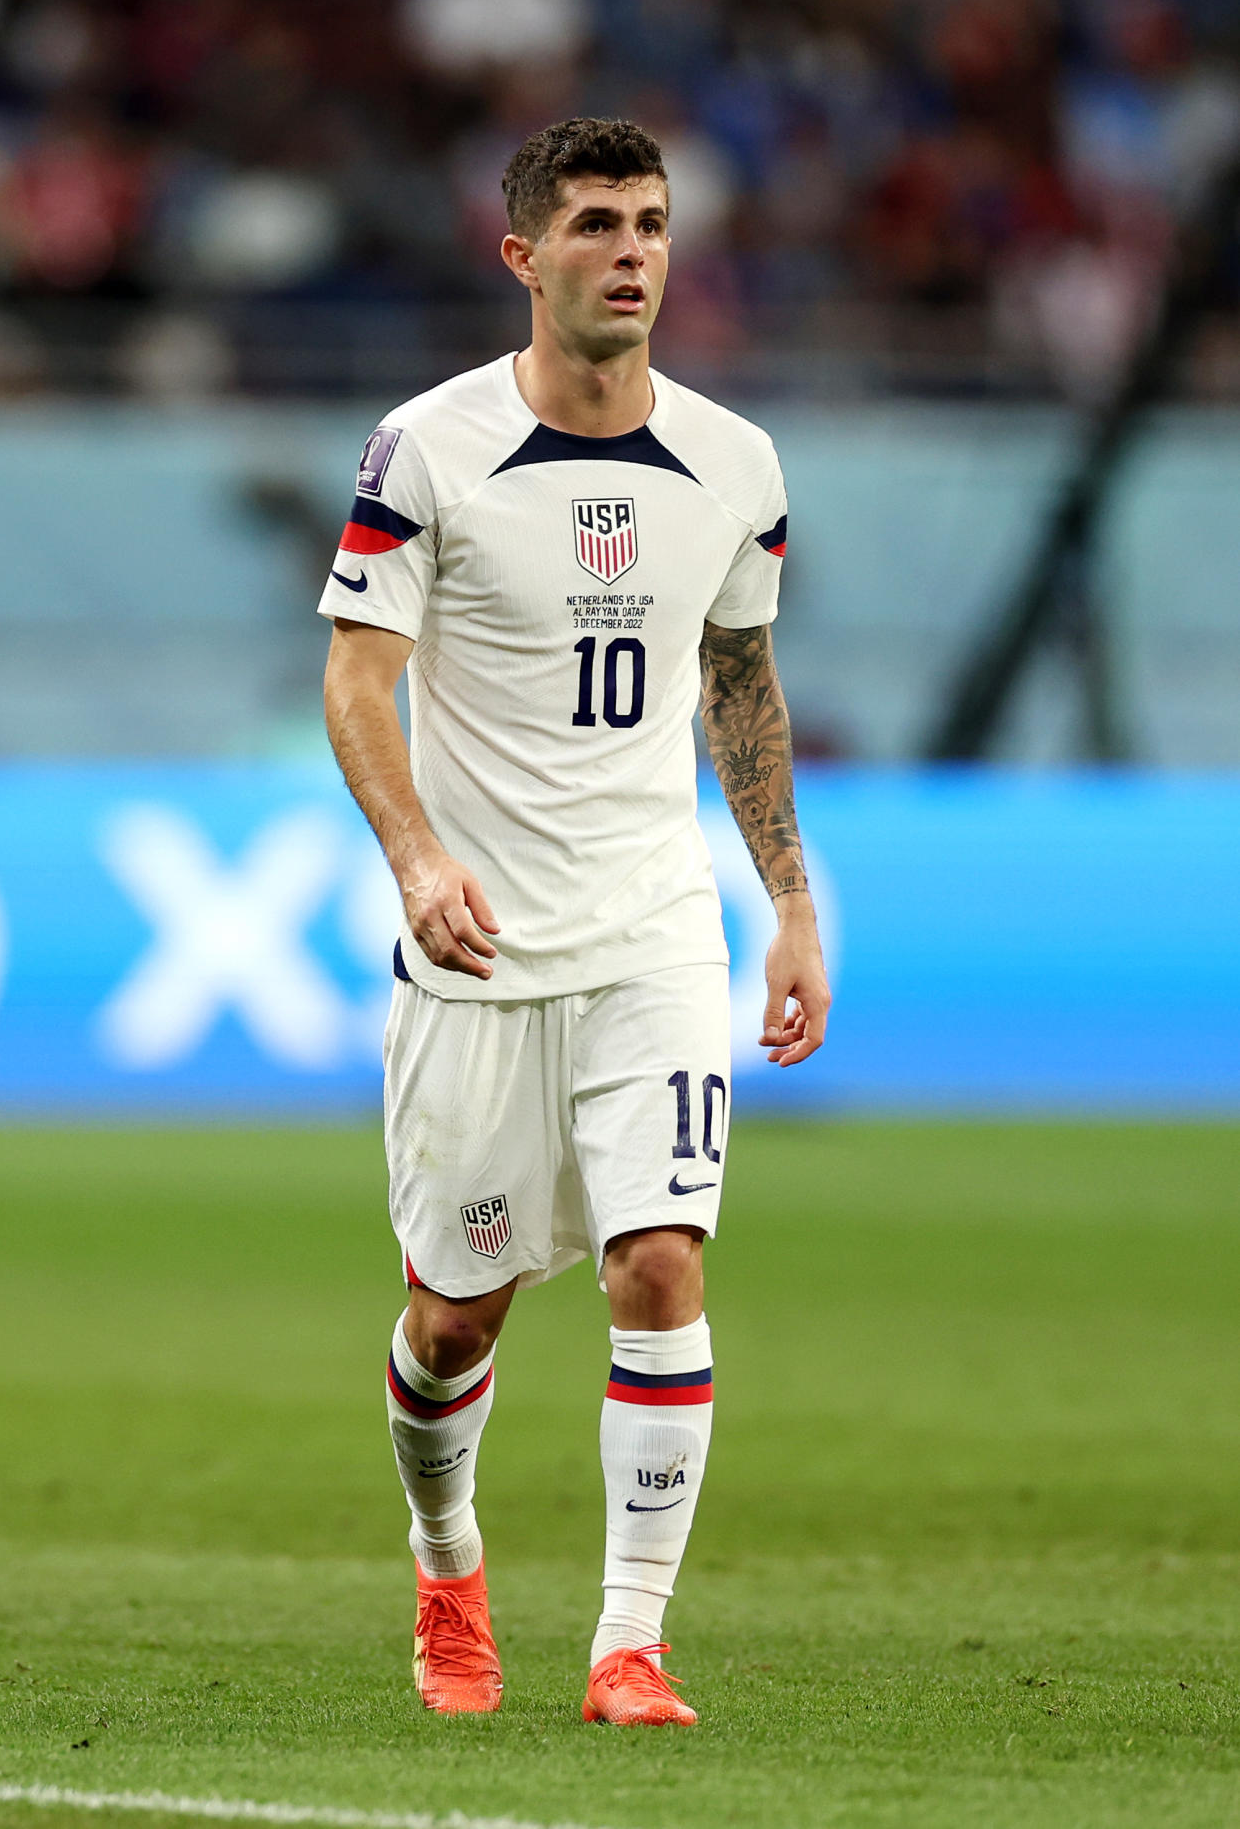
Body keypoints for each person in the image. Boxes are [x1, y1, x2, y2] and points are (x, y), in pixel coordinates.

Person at [319, 116, 830, 1729]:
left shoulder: (736, 465)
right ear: (522, 255)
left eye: (654, 222)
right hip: (476, 951)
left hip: (653, 934)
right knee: (452, 1314)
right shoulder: (429, 448)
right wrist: (415, 858)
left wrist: (789, 905)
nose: (632, 250)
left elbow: (740, 683)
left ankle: (627, 1647)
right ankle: (445, 1554)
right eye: (598, 222)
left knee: (660, 1263)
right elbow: (355, 679)